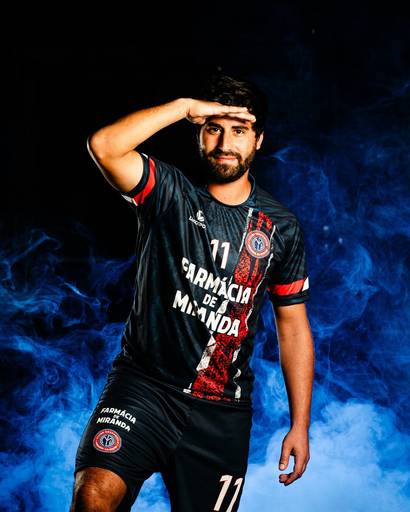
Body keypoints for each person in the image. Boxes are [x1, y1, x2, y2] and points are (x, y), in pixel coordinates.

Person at [70, 72, 314, 512]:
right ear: (199, 133)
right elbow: (104, 146)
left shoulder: (281, 227)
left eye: (239, 130)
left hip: (220, 414)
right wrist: (183, 106)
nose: (225, 143)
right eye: (214, 128)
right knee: (93, 496)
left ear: (258, 140)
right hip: (143, 389)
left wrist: (300, 424)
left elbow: (293, 327)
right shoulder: (169, 193)